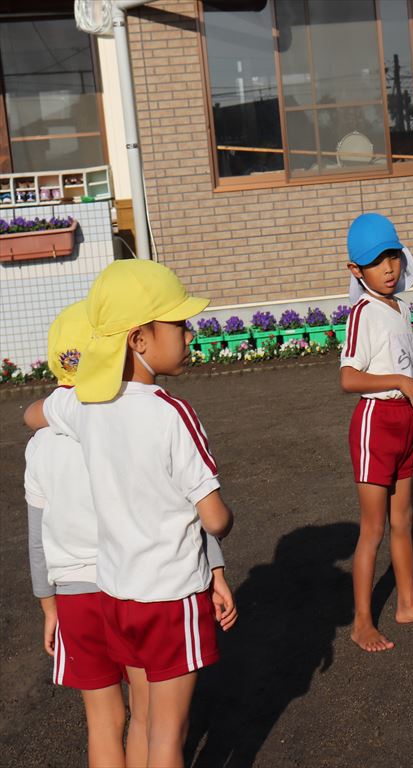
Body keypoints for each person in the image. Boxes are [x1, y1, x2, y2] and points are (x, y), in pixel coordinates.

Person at [24, 260, 236, 768]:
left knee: (140, 722)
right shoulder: (172, 414)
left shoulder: (85, 408)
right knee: (164, 731)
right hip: (171, 594)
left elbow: (33, 414)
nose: (189, 333)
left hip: (117, 597)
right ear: (139, 339)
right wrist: (222, 519)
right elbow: (214, 520)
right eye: (178, 324)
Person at [339, 213, 413, 652]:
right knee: (373, 529)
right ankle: (361, 622)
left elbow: (400, 366)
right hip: (375, 425)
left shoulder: (400, 307)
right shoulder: (362, 313)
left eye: (393, 257)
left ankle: (406, 603)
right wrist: (402, 383)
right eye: (375, 262)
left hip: (405, 421)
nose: (388, 268)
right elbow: (349, 378)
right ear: (356, 270)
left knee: (403, 520)